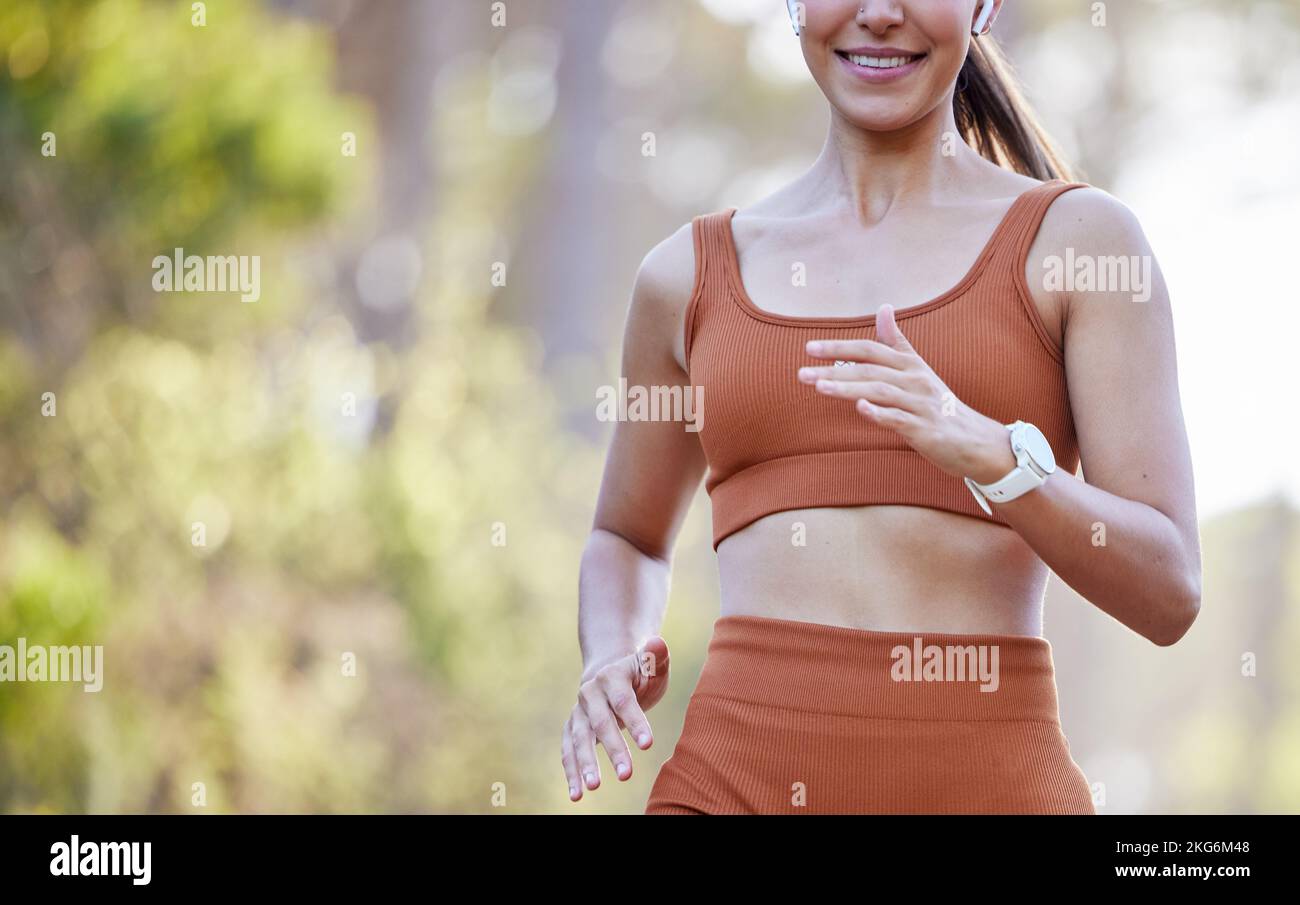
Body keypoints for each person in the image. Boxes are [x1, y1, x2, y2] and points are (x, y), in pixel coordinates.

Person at [562, 0, 1200, 814]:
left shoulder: (1082, 244)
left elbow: (1169, 589)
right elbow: (627, 536)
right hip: (731, 783)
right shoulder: (685, 275)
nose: (878, 13)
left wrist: (994, 454)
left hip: (989, 787)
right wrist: (610, 653)